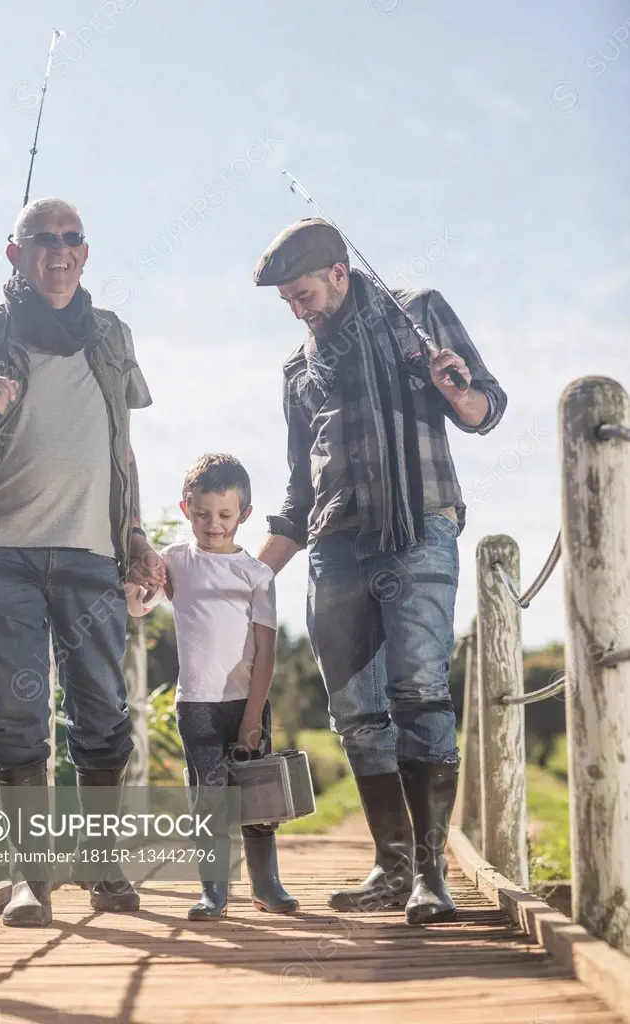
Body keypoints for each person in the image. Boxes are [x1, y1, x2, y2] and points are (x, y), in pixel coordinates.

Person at [253, 218, 507, 924]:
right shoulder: (297, 370)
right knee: (358, 713)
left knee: (419, 691)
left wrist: (457, 393)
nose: (297, 310)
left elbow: (487, 406)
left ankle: (432, 876)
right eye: (286, 304)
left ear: (338, 272)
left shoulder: (416, 312)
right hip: (335, 543)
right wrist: (250, 572)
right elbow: (301, 491)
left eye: (302, 294)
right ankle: (392, 866)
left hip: (419, 525)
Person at [0, 198, 167, 926]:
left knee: (102, 713)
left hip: (91, 551)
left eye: (73, 239)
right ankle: (29, 881)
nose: (60, 251)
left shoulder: (109, 335)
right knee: (17, 717)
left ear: (85, 251)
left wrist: (134, 534)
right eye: (43, 240)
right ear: (15, 254)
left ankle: (104, 871)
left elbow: (123, 445)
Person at [127, 452, 298, 921]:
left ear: (244, 514)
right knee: (209, 795)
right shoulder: (176, 561)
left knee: (258, 798)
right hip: (196, 703)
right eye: (202, 514)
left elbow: (266, 653)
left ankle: (267, 885)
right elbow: (140, 608)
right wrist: (140, 580)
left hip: (246, 701)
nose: (213, 524)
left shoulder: (257, 574)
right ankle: (214, 892)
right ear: (186, 509)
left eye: (225, 515)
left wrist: (251, 718)